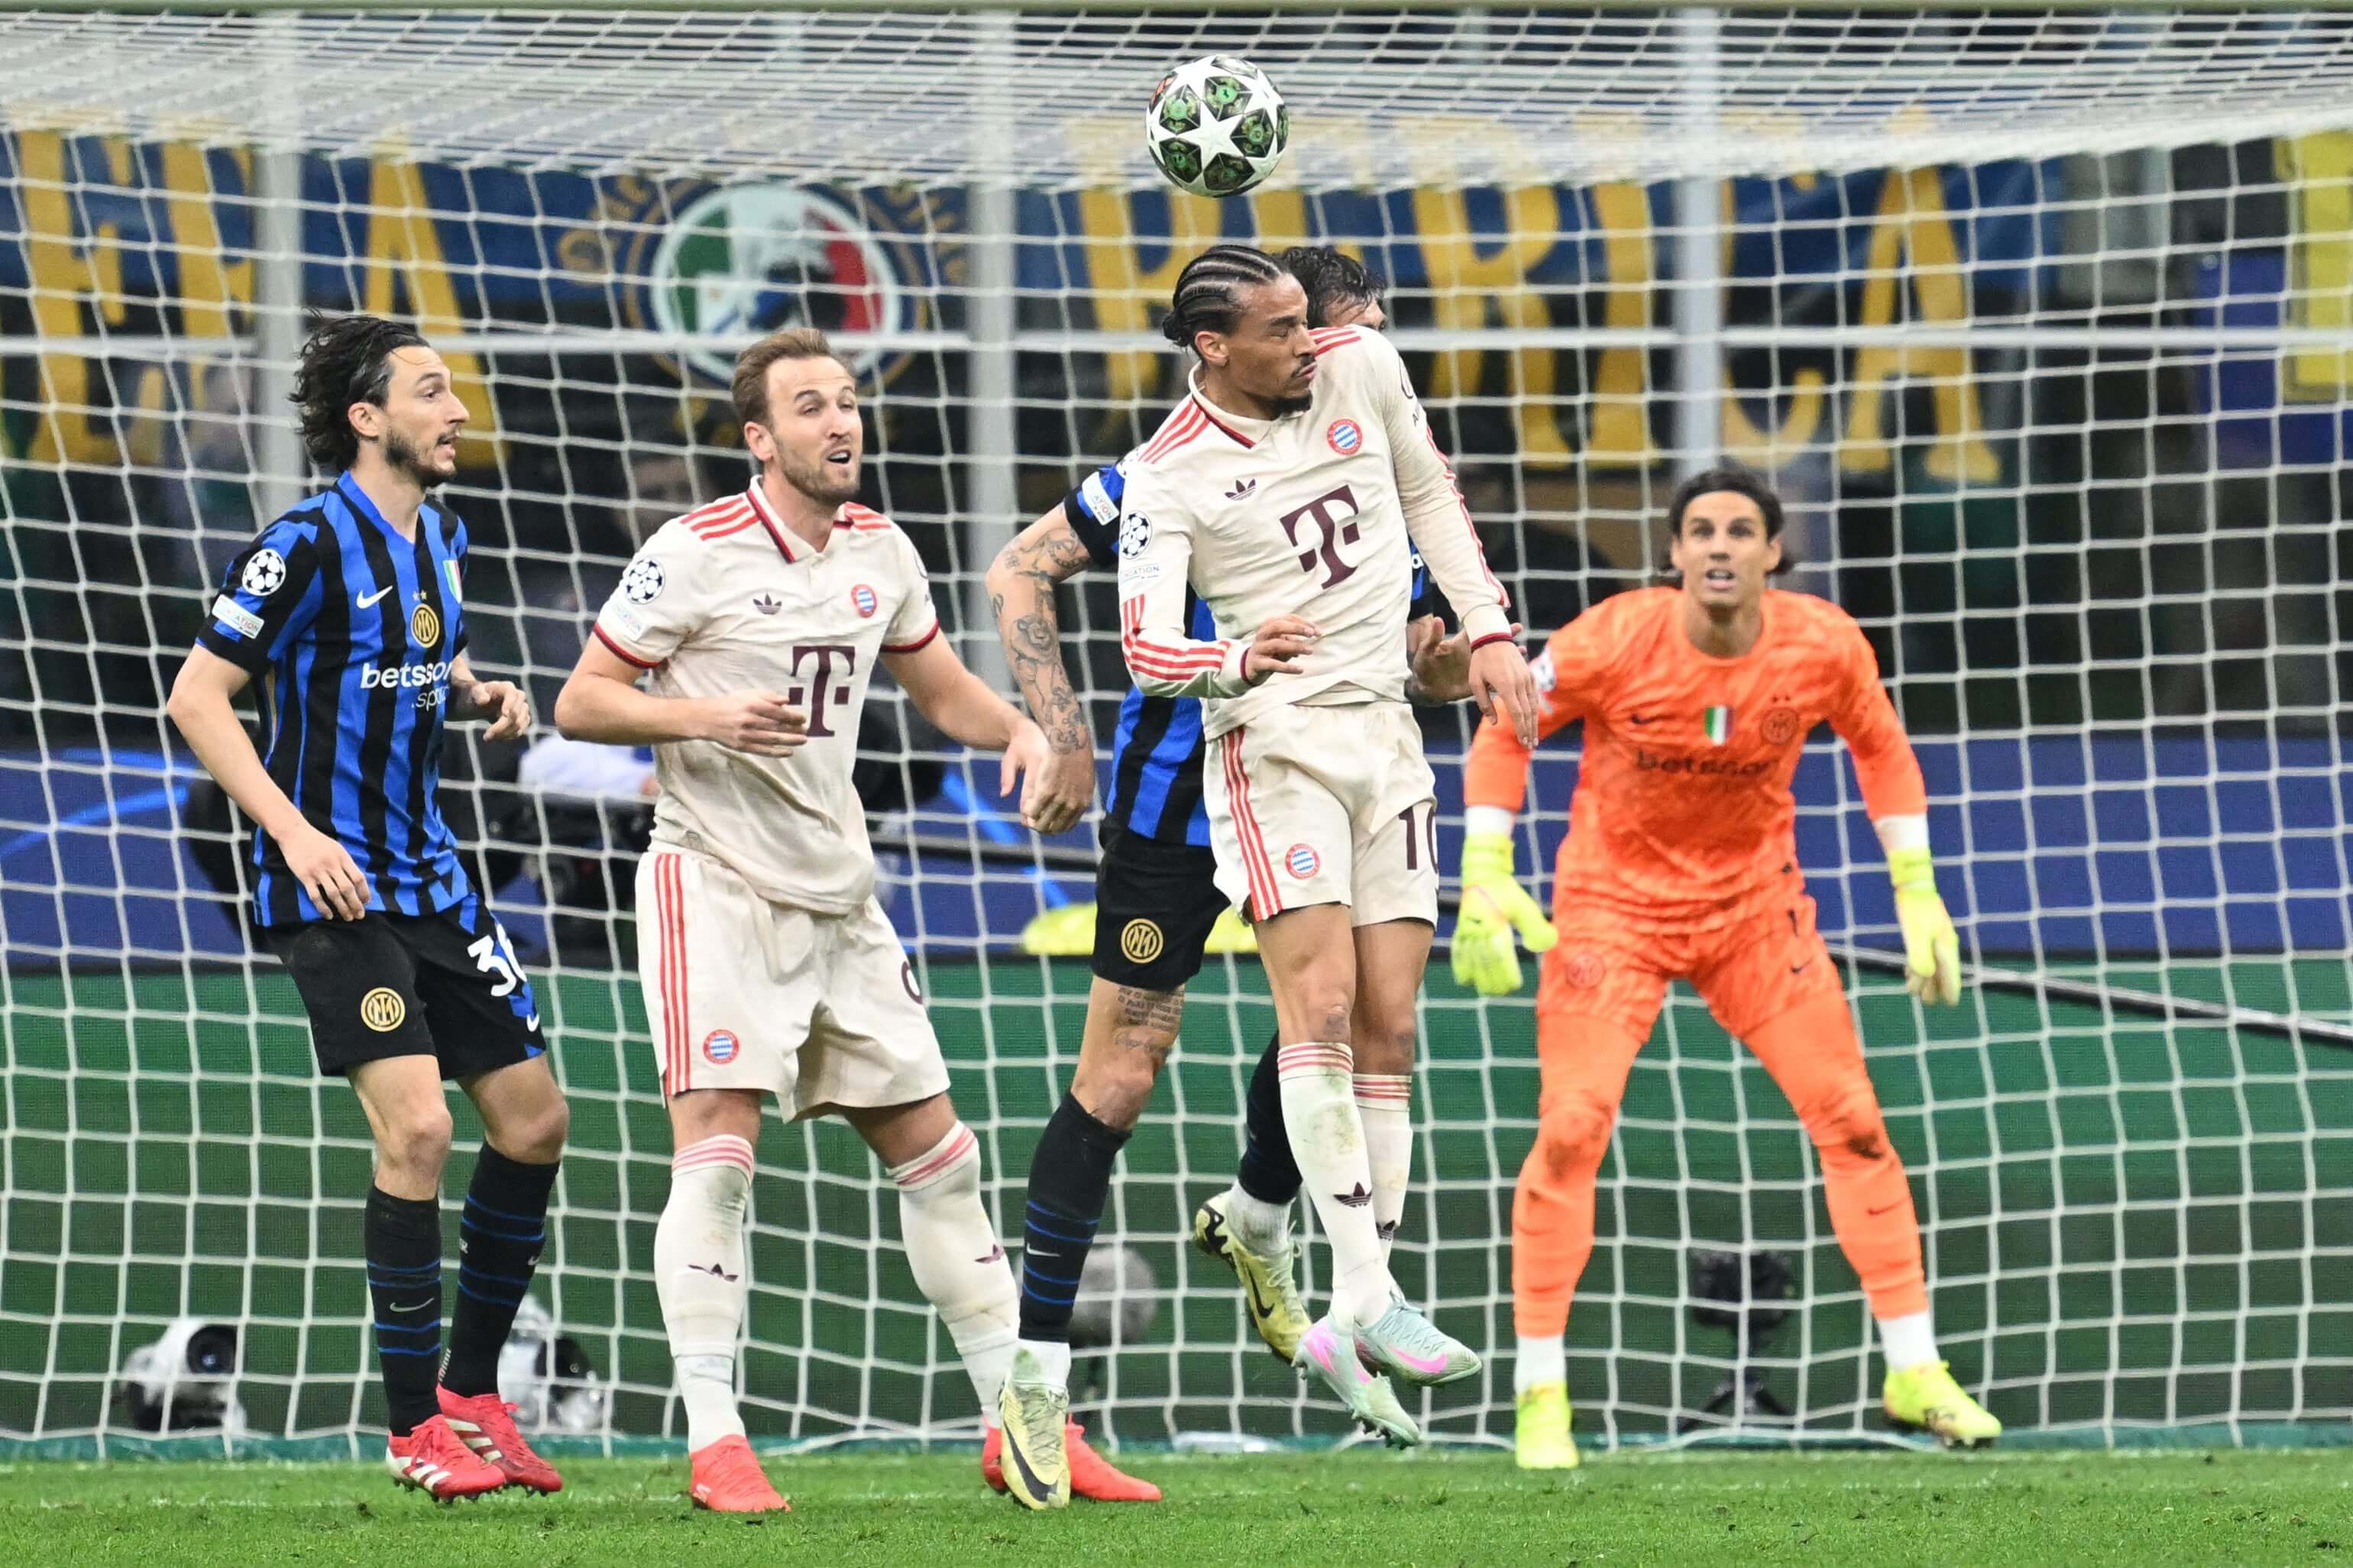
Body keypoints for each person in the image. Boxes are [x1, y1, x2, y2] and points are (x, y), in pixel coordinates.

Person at [551, 325, 1154, 1514]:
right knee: (720, 1157)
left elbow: (940, 689)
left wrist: (1022, 728)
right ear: (759, 438)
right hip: (712, 883)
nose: (841, 423)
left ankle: (1022, 1427)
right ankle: (717, 1441)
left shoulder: (883, 547)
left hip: (843, 897)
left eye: (848, 401)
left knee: (943, 1159)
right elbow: (582, 699)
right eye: (811, 407)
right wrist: (708, 715)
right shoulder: (692, 551)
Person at [1010, 241, 1537, 1473]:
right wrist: (1060, 727)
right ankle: (1034, 1387)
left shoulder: (1370, 434)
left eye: (1336, 329)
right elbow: (1021, 567)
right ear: (1234, 343)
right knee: (1124, 1075)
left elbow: (1421, 646)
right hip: (1179, 792)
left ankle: (1263, 1220)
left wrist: (1469, 650)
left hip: (1344, 761)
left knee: (1352, 1011)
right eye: (1319, 326)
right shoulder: (1157, 475)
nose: (1338, 347)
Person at [1449, 464, 2002, 1468]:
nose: (1718, 546)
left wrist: (1918, 889)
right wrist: (1485, 867)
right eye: (1700, 530)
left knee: (1855, 1122)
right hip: (1613, 914)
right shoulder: (1613, 639)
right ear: (1673, 553)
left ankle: (1914, 1370)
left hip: (1755, 917)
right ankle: (1540, 1395)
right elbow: (1507, 724)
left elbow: (1883, 750)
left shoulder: (1823, 645)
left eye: (1740, 531)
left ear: (1773, 553)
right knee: (1570, 1130)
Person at [165, 314, 567, 1500]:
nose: (457, 409)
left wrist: (476, 689)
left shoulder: (442, 533)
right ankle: (410, 1429)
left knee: (535, 1123)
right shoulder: (299, 544)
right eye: (432, 390)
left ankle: (471, 1391)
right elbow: (197, 697)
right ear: (367, 416)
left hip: (432, 876)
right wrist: (295, 834)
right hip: (330, 887)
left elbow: (415, 656)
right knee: (420, 1131)